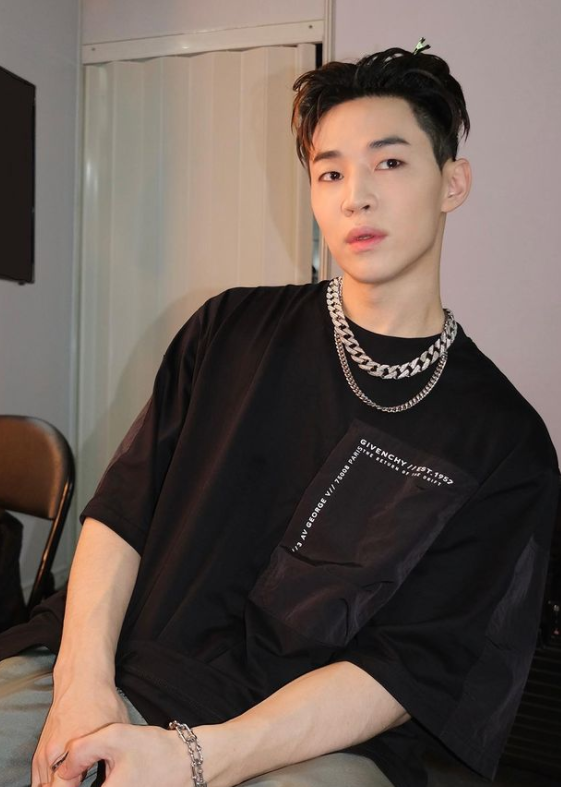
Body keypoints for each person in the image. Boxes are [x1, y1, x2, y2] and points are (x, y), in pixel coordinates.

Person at [0, 41, 558, 787]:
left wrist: (196, 758)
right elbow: (122, 511)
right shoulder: (229, 329)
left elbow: (409, 666)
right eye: (330, 172)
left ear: (451, 182)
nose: (355, 196)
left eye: (390, 162)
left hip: (309, 742)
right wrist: (81, 688)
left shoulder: (503, 440)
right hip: (123, 666)